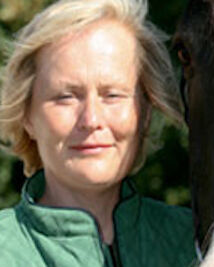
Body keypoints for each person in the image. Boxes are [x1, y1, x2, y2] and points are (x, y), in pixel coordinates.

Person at [0, 0, 196, 266]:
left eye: (112, 95)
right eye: (66, 97)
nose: (91, 120)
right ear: (27, 117)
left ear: (146, 112)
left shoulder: (201, 247)